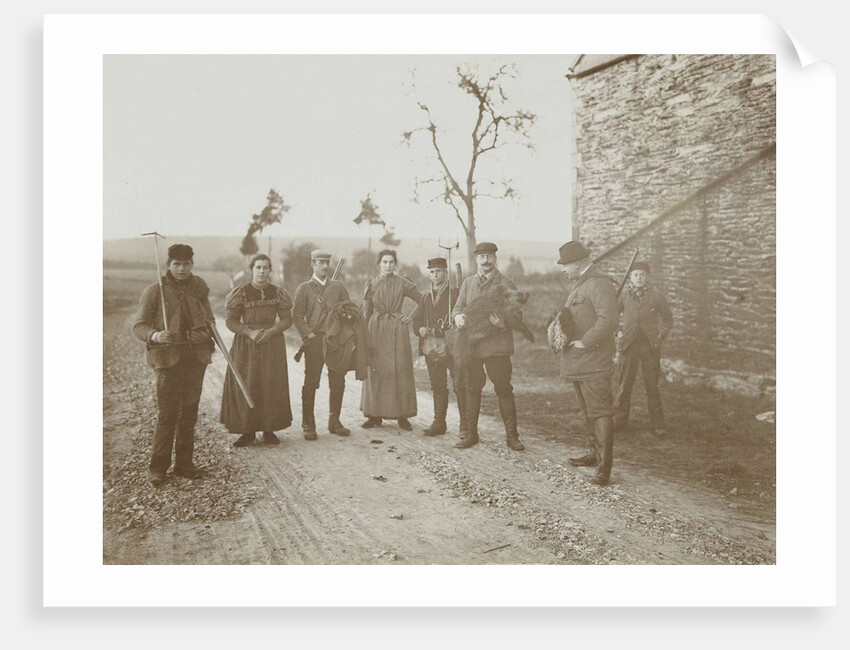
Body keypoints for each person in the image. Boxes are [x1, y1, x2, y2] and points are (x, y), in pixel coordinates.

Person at [132, 244, 214, 487]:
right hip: (168, 361)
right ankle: (157, 468)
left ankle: (184, 464)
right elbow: (139, 326)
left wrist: (204, 333)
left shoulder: (198, 288)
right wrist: (156, 335)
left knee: (189, 414)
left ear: (192, 264)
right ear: (168, 265)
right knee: (167, 415)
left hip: (195, 359)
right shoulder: (154, 291)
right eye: (177, 264)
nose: (182, 269)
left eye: (186, 264)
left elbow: (209, 320)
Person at [556, 241, 619, 486]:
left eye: (565, 264)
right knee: (587, 411)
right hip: (580, 363)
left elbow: (609, 319)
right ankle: (594, 454)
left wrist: (585, 342)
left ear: (578, 263)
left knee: (600, 411)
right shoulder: (581, 285)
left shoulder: (598, 283)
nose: (563, 269)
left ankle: (604, 468)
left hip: (593, 360)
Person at [453, 242, 525, 451]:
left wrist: (501, 323)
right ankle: (471, 435)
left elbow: (517, 314)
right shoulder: (468, 283)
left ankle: (512, 437)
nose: (485, 260)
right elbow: (458, 305)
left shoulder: (507, 283)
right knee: (472, 388)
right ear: (476, 259)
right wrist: (457, 316)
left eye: (489, 256)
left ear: (495, 258)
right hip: (472, 347)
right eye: (481, 257)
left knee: (503, 389)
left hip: (497, 347)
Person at [220, 254, 293, 447]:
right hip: (246, 346)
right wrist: (248, 331)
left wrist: (272, 331)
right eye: (258, 267)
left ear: (270, 271)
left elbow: (287, 319)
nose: (262, 271)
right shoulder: (241, 293)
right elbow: (230, 321)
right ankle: (247, 431)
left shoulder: (278, 293)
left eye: (266, 268)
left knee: (270, 385)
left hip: (272, 345)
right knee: (248, 383)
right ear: (251, 269)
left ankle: (269, 429)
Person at [292, 249, 352, 439]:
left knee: (338, 381)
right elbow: (296, 314)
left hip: (335, 341)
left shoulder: (338, 287)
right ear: (313, 264)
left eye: (327, 262)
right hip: (315, 341)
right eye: (320, 262)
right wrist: (308, 334)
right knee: (311, 382)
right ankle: (308, 423)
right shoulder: (304, 288)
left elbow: (348, 310)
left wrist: (343, 330)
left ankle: (334, 421)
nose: (325, 266)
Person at [360, 249, 423, 430]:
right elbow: (366, 311)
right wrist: (364, 334)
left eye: (391, 262)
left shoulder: (402, 283)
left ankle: (402, 416)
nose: (388, 265)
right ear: (379, 264)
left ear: (395, 264)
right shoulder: (371, 284)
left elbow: (422, 300)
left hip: (397, 329)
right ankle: (374, 415)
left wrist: (410, 317)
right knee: (376, 370)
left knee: (399, 370)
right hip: (376, 329)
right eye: (384, 262)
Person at [613, 261, 673, 434]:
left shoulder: (656, 296)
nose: (639, 278)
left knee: (652, 385)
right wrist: (618, 332)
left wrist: (660, 337)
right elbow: (612, 317)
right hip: (628, 346)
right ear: (630, 277)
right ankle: (620, 421)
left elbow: (668, 320)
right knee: (624, 386)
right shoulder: (624, 295)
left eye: (642, 275)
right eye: (636, 275)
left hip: (649, 347)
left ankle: (657, 424)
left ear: (648, 277)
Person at [413, 257, 460, 437]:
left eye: (438, 271)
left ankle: (465, 425)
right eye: (432, 272)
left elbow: (462, 315)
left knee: (459, 384)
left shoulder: (454, 294)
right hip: (432, 347)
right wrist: (420, 329)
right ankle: (439, 423)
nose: (435, 275)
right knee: (437, 385)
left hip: (452, 347)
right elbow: (416, 320)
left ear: (446, 273)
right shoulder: (425, 297)